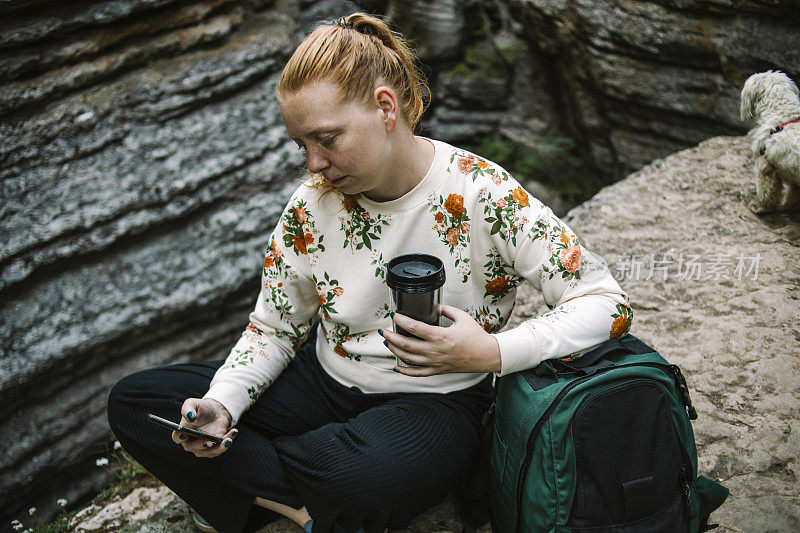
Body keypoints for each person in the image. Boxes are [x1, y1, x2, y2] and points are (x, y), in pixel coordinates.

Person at [107, 12, 633, 533]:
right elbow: (273, 328)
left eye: (327, 139)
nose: (313, 164)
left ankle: (251, 489)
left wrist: (492, 353)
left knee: (358, 475)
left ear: (386, 107)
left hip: (438, 402)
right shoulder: (312, 203)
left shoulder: (482, 191)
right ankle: (300, 505)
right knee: (136, 403)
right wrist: (223, 405)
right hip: (323, 382)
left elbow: (606, 303)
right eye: (302, 145)